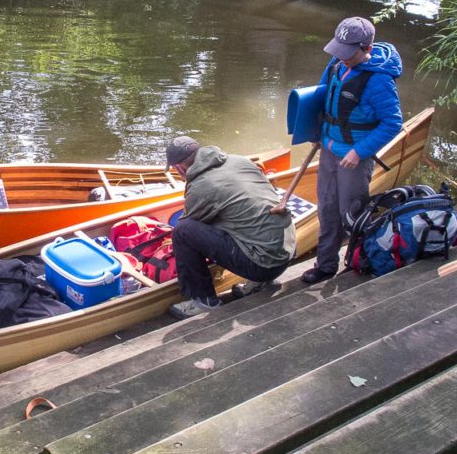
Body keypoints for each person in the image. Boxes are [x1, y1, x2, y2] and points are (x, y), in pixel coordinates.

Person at [301, 16, 404, 284]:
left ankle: (360, 260)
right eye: (339, 50)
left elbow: (392, 123)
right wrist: (315, 133)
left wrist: (360, 151)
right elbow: (322, 97)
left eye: (348, 53)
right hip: (328, 150)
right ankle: (325, 265)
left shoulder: (379, 81)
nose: (342, 57)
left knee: (353, 213)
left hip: (353, 159)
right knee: (326, 209)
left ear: (366, 48)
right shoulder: (337, 63)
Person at [163, 136, 296, 320]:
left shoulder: (201, 186)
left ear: (180, 168)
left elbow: (192, 224)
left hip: (263, 264)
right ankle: (259, 283)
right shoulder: (239, 160)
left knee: (183, 231)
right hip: (287, 250)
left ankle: (204, 300)